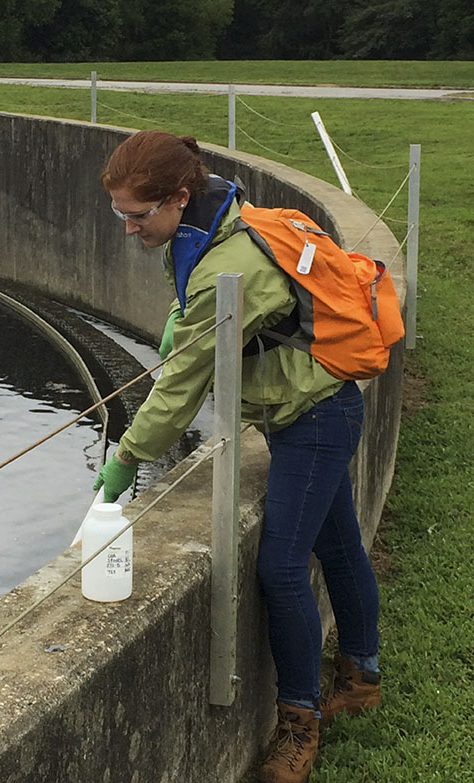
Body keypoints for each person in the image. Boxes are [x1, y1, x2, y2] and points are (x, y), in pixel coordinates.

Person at [95, 129, 382, 783]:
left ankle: (298, 724)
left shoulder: (238, 261)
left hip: (315, 419)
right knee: (338, 549)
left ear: (179, 197)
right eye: (120, 215)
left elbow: (184, 378)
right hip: (309, 410)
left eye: (139, 216)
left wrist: (130, 453)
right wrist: (184, 314)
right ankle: (362, 677)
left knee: (281, 568)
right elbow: (198, 314)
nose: (130, 229)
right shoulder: (211, 225)